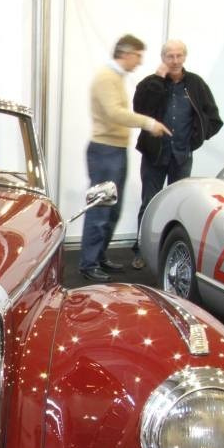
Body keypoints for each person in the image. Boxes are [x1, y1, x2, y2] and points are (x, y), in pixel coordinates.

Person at [80, 35, 171, 282]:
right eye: (138, 56)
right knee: (101, 208)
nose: (139, 62)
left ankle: (98, 256)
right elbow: (114, 113)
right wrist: (148, 123)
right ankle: (89, 262)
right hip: (104, 150)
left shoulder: (115, 78)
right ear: (127, 53)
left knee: (112, 209)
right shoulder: (106, 78)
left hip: (114, 150)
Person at [130, 39, 222, 269]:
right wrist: (157, 79)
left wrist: (196, 139)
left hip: (181, 156)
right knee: (149, 203)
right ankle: (141, 250)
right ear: (163, 58)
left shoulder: (196, 84)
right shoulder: (149, 84)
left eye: (179, 55)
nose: (174, 60)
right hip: (154, 154)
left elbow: (214, 118)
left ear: (185, 57)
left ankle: (171, 251)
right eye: (170, 56)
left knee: (178, 206)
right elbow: (140, 110)